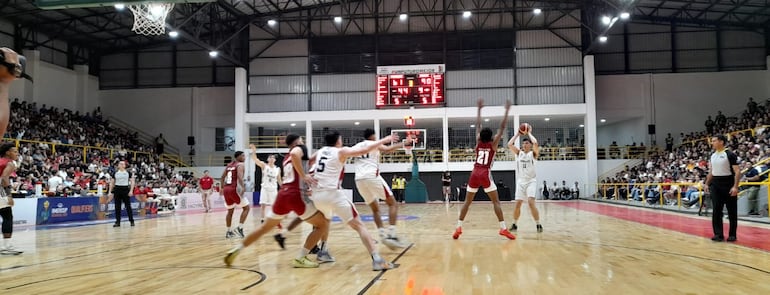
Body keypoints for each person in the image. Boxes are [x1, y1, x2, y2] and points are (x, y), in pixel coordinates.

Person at [225, 134, 332, 268]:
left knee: (264, 228)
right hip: (296, 195)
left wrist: (323, 152)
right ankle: (301, 257)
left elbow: (306, 161)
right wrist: (304, 176)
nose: (303, 141)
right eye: (301, 140)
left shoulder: (285, 159)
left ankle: (238, 249)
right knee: (323, 224)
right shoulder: (299, 149)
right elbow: (296, 154)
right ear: (296, 142)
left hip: (282, 195)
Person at [310, 131, 398, 270]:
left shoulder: (320, 152)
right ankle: (377, 259)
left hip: (317, 195)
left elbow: (309, 161)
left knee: (324, 222)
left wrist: (306, 177)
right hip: (333, 193)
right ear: (338, 141)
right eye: (341, 139)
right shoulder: (341, 151)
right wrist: (384, 140)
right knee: (359, 225)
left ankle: (320, 251)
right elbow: (365, 149)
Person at [453, 99, 515, 240]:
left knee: (467, 203)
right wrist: (506, 111)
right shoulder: (493, 145)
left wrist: (479, 109)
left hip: (474, 173)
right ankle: (503, 229)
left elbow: (478, 125)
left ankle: (458, 227)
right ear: (492, 137)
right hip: (485, 173)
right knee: (496, 202)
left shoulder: (478, 142)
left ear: (481, 136)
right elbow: (502, 127)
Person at [353, 128, 410, 250]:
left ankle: (382, 235)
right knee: (393, 204)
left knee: (375, 209)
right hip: (372, 177)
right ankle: (392, 234)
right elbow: (388, 150)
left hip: (358, 180)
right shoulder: (374, 144)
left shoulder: (357, 146)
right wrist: (404, 143)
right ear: (373, 136)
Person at [705, 135, 741, 242]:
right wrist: (707, 184)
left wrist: (735, 187)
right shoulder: (712, 155)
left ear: (721, 142)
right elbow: (711, 172)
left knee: (732, 211)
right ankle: (718, 234)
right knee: (716, 210)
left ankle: (732, 235)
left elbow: (737, 172)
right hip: (715, 184)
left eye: (714, 141)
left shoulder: (730, 154)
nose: (712, 143)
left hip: (728, 183)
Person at [507, 127, 543, 233]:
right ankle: (514, 224)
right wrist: (518, 134)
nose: (525, 145)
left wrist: (529, 133)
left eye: (527, 143)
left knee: (531, 203)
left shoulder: (533, 154)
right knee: (518, 203)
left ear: (530, 145)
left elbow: (536, 143)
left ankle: (538, 224)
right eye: (524, 143)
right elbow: (509, 144)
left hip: (531, 181)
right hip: (521, 181)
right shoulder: (519, 153)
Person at [249, 145, 282, 223]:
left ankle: (275, 218)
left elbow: (279, 180)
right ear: (267, 159)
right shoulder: (264, 165)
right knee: (263, 204)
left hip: (273, 189)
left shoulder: (277, 169)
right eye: (270, 157)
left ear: (275, 160)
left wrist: (284, 188)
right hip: (265, 188)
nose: (271, 158)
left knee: (274, 205)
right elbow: (255, 159)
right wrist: (254, 151)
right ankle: (262, 219)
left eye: (273, 157)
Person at [221, 151, 250, 239]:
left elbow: (222, 177)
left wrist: (222, 188)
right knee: (246, 208)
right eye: (243, 156)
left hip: (226, 189)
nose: (245, 157)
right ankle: (239, 228)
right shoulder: (240, 165)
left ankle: (229, 231)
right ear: (239, 157)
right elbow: (240, 177)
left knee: (230, 211)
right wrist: (243, 187)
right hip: (234, 189)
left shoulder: (229, 165)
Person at [0, 143, 21, 254]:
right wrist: (8, 195)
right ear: (8, 152)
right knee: (7, 216)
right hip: (0, 189)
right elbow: (4, 177)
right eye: (15, 151)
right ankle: (6, 247)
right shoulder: (10, 163)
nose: (17, 154)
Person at [109, 161, 135, 227]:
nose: (121, 165)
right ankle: (118, 222)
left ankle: (131, 221)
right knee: (117, 207)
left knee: (128, 206)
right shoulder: (115, 173)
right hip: (117, 189)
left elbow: (132, 182)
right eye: (120, 164)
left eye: (122, 164)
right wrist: (110, 191)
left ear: (125, 166)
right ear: (118, 165)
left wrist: (131, 191)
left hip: (125, 189)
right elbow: (112, 182)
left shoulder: (128, 173)